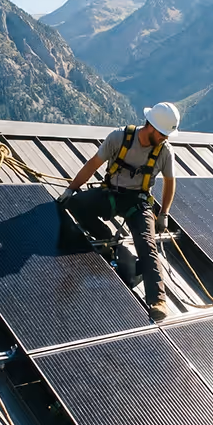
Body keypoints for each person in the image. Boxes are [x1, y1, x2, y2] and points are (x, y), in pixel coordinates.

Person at [59, 103, 179, 321]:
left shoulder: (165, 151)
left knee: (147, 244)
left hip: (138, 202)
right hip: (111, 194)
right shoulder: (119, 138)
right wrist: (71, 190)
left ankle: (158, 300)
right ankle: (106, 237)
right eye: (162, 134)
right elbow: (93, 164)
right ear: (151, 126)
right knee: (76, 204)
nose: (165, 139)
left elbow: (170, 183)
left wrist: (164, 214)